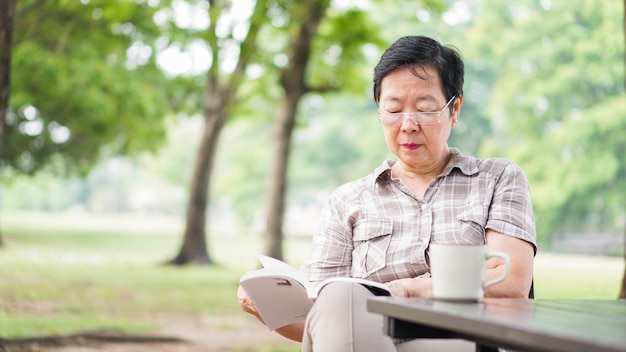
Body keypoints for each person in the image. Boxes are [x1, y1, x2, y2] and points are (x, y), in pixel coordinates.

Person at [238, 35, 537, 352]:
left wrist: (408, 289)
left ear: (455, 109)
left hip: (464, 343)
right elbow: (321, 320)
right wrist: (271, 308)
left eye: (424, 109)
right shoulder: (348, 200)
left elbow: (510, 287)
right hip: (369, 343)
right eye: (393, 110)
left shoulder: (498, 179)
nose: (408, 125)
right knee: (340, 296)